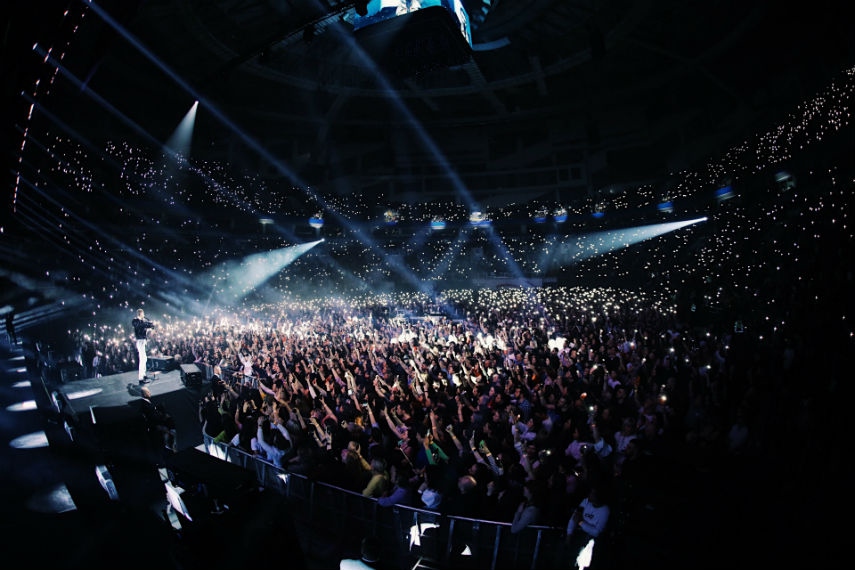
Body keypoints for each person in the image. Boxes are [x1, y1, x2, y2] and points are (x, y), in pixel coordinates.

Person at [132, 308, 155, 384]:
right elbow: (140, 325)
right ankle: (141, 378)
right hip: (140, 341)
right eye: (143, 313)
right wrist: (147, 323)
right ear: (140, 313)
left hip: (143, 341)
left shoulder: (143, 321)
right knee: (142, 359)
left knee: (144, 358)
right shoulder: (135, 321)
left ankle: (144, 374)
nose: (144, 315)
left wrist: (151, 325)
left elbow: (150, 325)